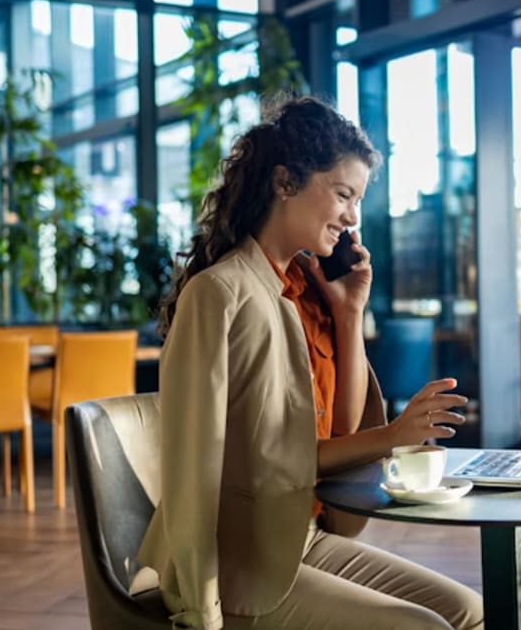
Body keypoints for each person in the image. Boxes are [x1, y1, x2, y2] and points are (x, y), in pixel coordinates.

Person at [139, 96, 483, 630]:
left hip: (303, 538)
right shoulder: (219, 294)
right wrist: (198, 606)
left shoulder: (306, 291)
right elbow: (195, 465)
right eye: (343, 194)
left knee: (468, 611)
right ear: (283, 182)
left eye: (358, 200)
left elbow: (342, 436)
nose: (351, 217)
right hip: (242, 563)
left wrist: (349, 314)